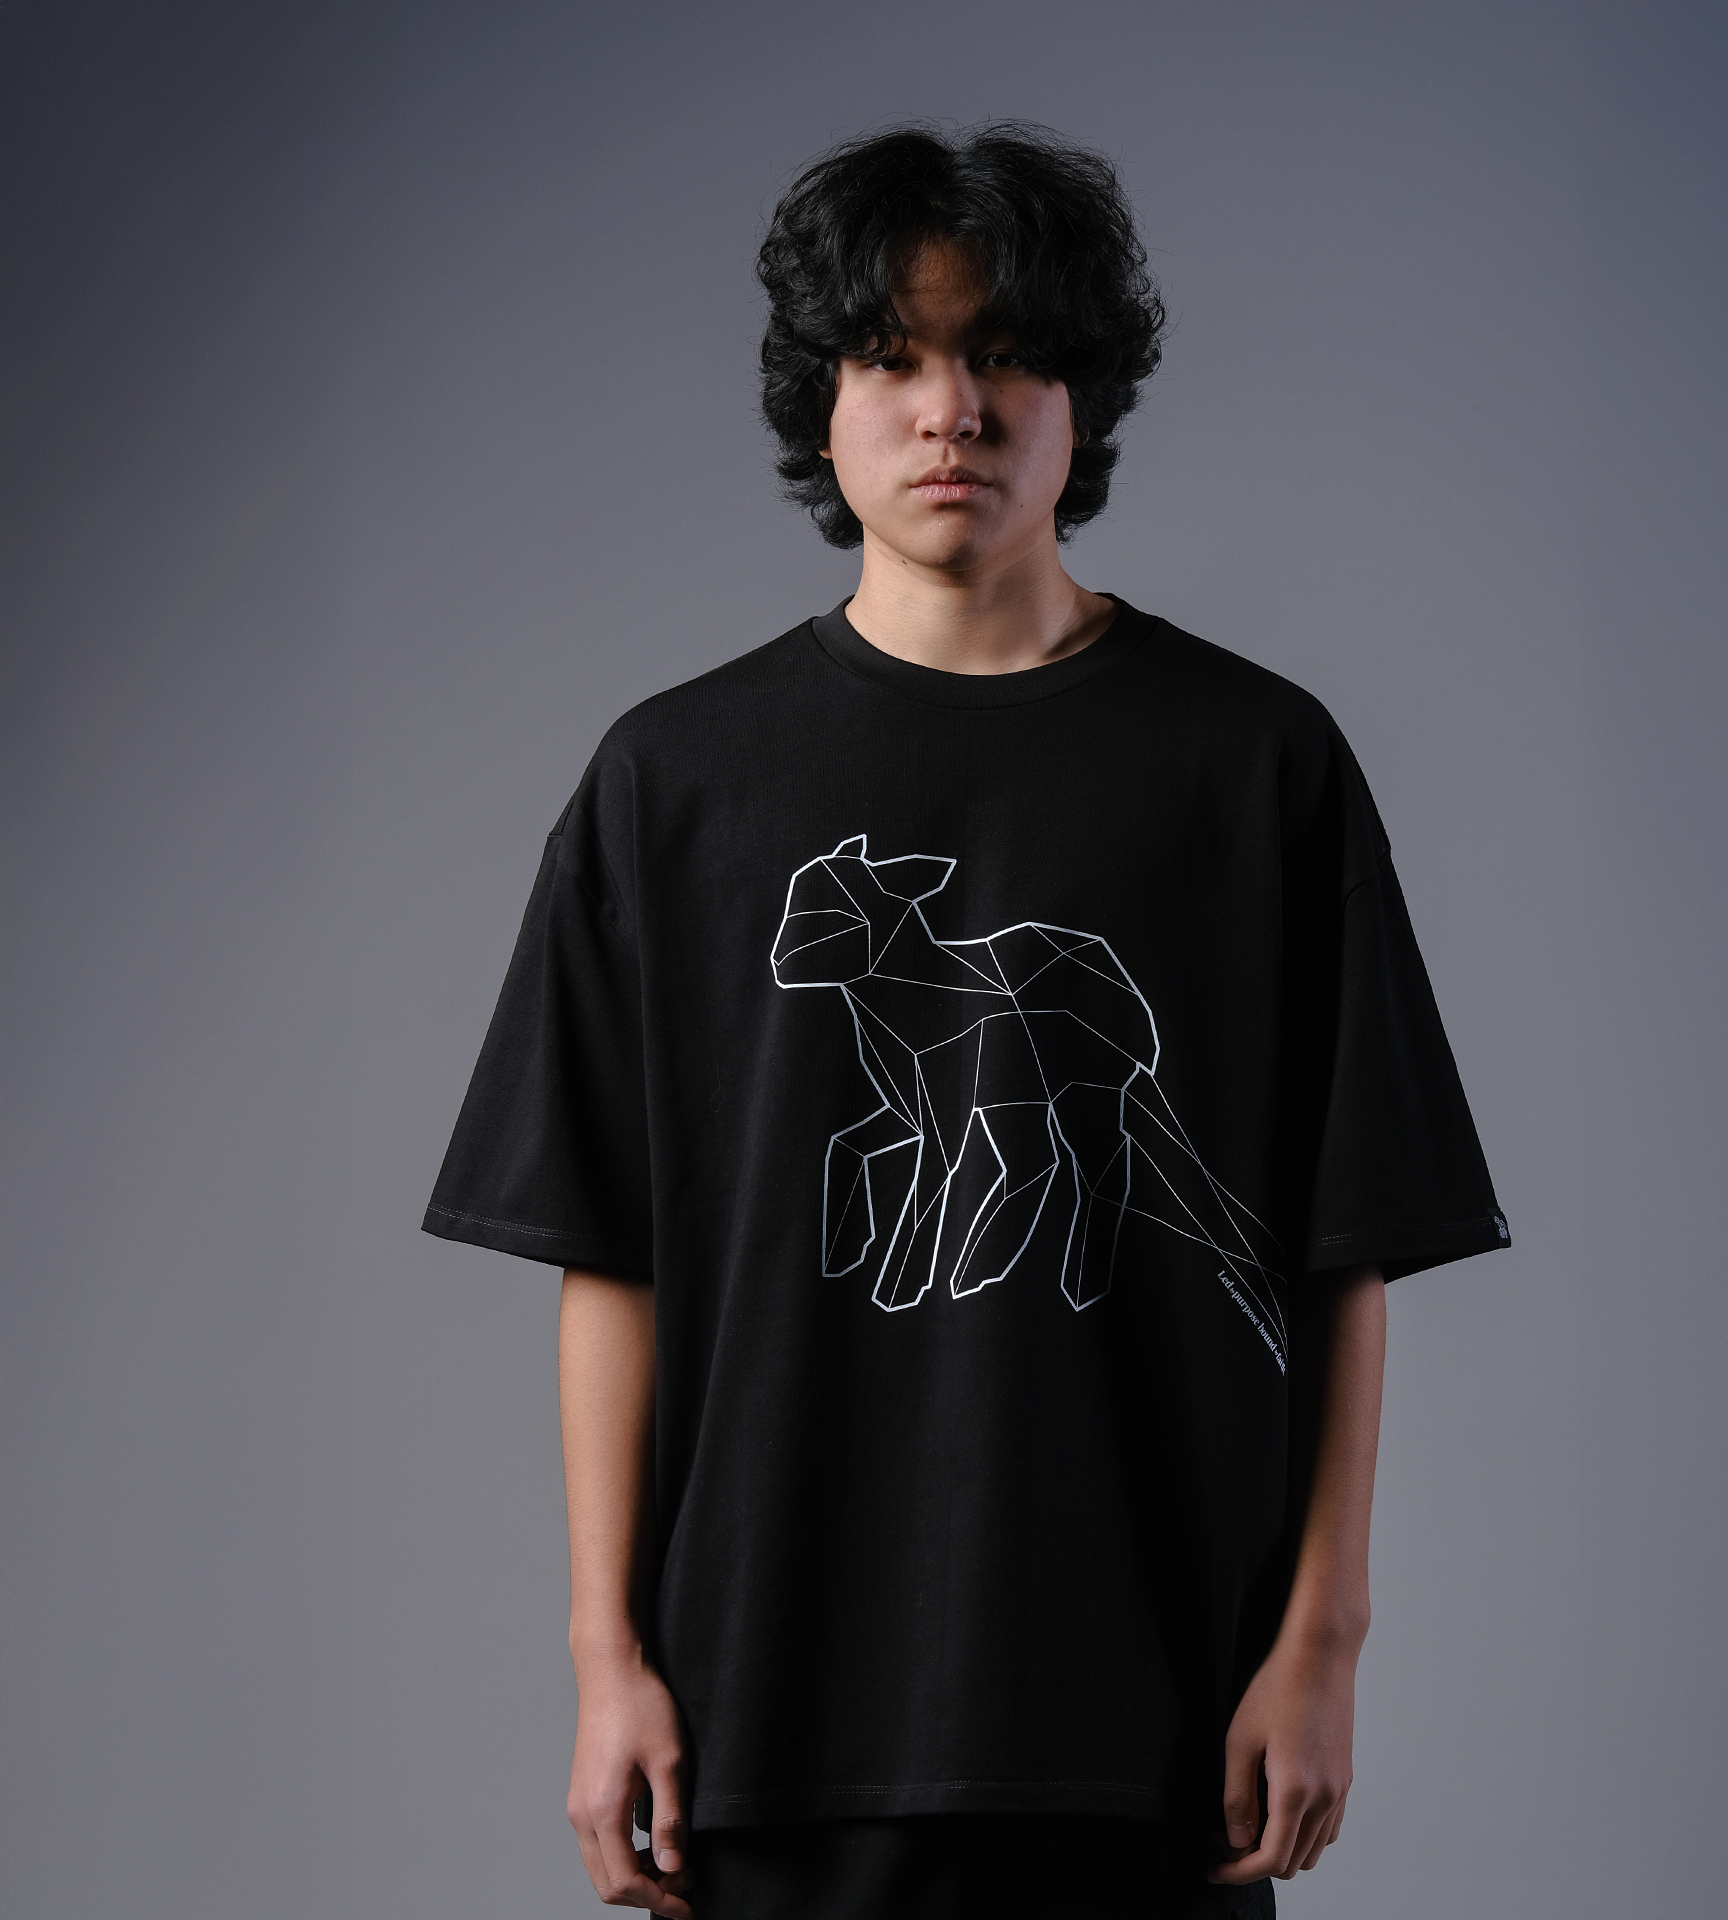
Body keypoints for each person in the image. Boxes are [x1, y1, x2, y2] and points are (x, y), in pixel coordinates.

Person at [424, 122, 1508, 1919]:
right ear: (824, 403)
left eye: (1007, 354)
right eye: (893, 356)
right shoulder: (673, 785)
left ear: (1081, 402)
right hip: (765, 1724)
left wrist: (1322, 1645)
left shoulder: (1254, 766)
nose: (954, 410)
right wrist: (607, 1661)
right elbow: (609, 1259)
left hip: (1155, 1730)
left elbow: (1342, 1251)